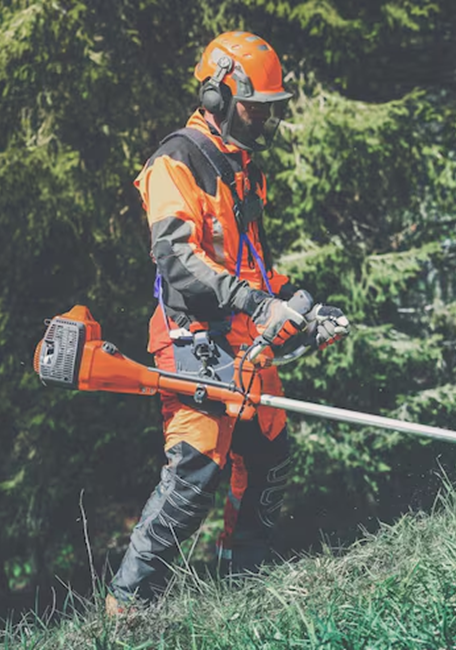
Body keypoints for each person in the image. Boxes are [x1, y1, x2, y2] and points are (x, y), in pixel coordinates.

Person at [108, 31, 349, 609]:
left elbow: (255, 265)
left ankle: (245, 579)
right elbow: (177, 258)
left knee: (267, 451)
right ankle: (127, 602)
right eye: (255, 107)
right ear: (218, 96)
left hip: (244, 334)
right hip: (192, 334)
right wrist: (255, 303)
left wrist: (304, 310)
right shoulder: (176, 160)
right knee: (195, 468)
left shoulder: (246, 171)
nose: (264, 119)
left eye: (271, 109)